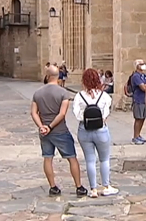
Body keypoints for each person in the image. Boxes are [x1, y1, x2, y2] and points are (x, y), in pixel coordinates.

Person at [31, 66, 88, 197]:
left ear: (47, 75)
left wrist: (42, 126)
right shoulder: (63, 93)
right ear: (58, 76)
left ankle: (53, 187)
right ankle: (79, 186)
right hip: (60, 130)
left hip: (44, 132)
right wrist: (50, 126)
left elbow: (34, 112)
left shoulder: (37, 93)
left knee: (47, 158)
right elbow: (62, 114)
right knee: (72, 158)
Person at [73, 68, 119, 198]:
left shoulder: (79, 96)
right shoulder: (104, 96)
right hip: (100, 129)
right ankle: (106, 186)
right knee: (104, 159)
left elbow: (77, 114)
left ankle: (93, 189)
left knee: (90, 160)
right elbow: (106, 112)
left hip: (84, 129)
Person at [131, 59, 146, 145]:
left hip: (144, 100)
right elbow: (143, 87)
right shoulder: (135, 76)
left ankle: (139, 135)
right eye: (141, 64)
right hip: (138, 100)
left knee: (143, 118)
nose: (143, 65)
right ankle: (135, 136)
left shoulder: (144, 76)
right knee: (138, 118)